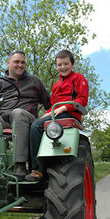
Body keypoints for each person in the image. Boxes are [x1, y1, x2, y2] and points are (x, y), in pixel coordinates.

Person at [0, 50, 51, 180]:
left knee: (17, 112)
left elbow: (49, 103)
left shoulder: (34, 81)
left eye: (23, 62)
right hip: (4, 120)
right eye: (16, 62)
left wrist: (48, 115)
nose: (20, 65)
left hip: (27, 119)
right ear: (8, 63)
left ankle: (19, 165)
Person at [25, 49, 89, 182]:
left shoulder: (79, 78)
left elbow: (82, 100)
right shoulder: (56, 85)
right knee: (34, 125)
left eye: (66, 64)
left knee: (36, 126)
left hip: (70, 114)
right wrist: (47, 114)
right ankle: (31, 165)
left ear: (72, 64)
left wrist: (65, 107)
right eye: (59, 65)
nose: (63, 67)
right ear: (56, 66)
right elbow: (53, 104)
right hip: (57, 114)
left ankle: (36, 169)